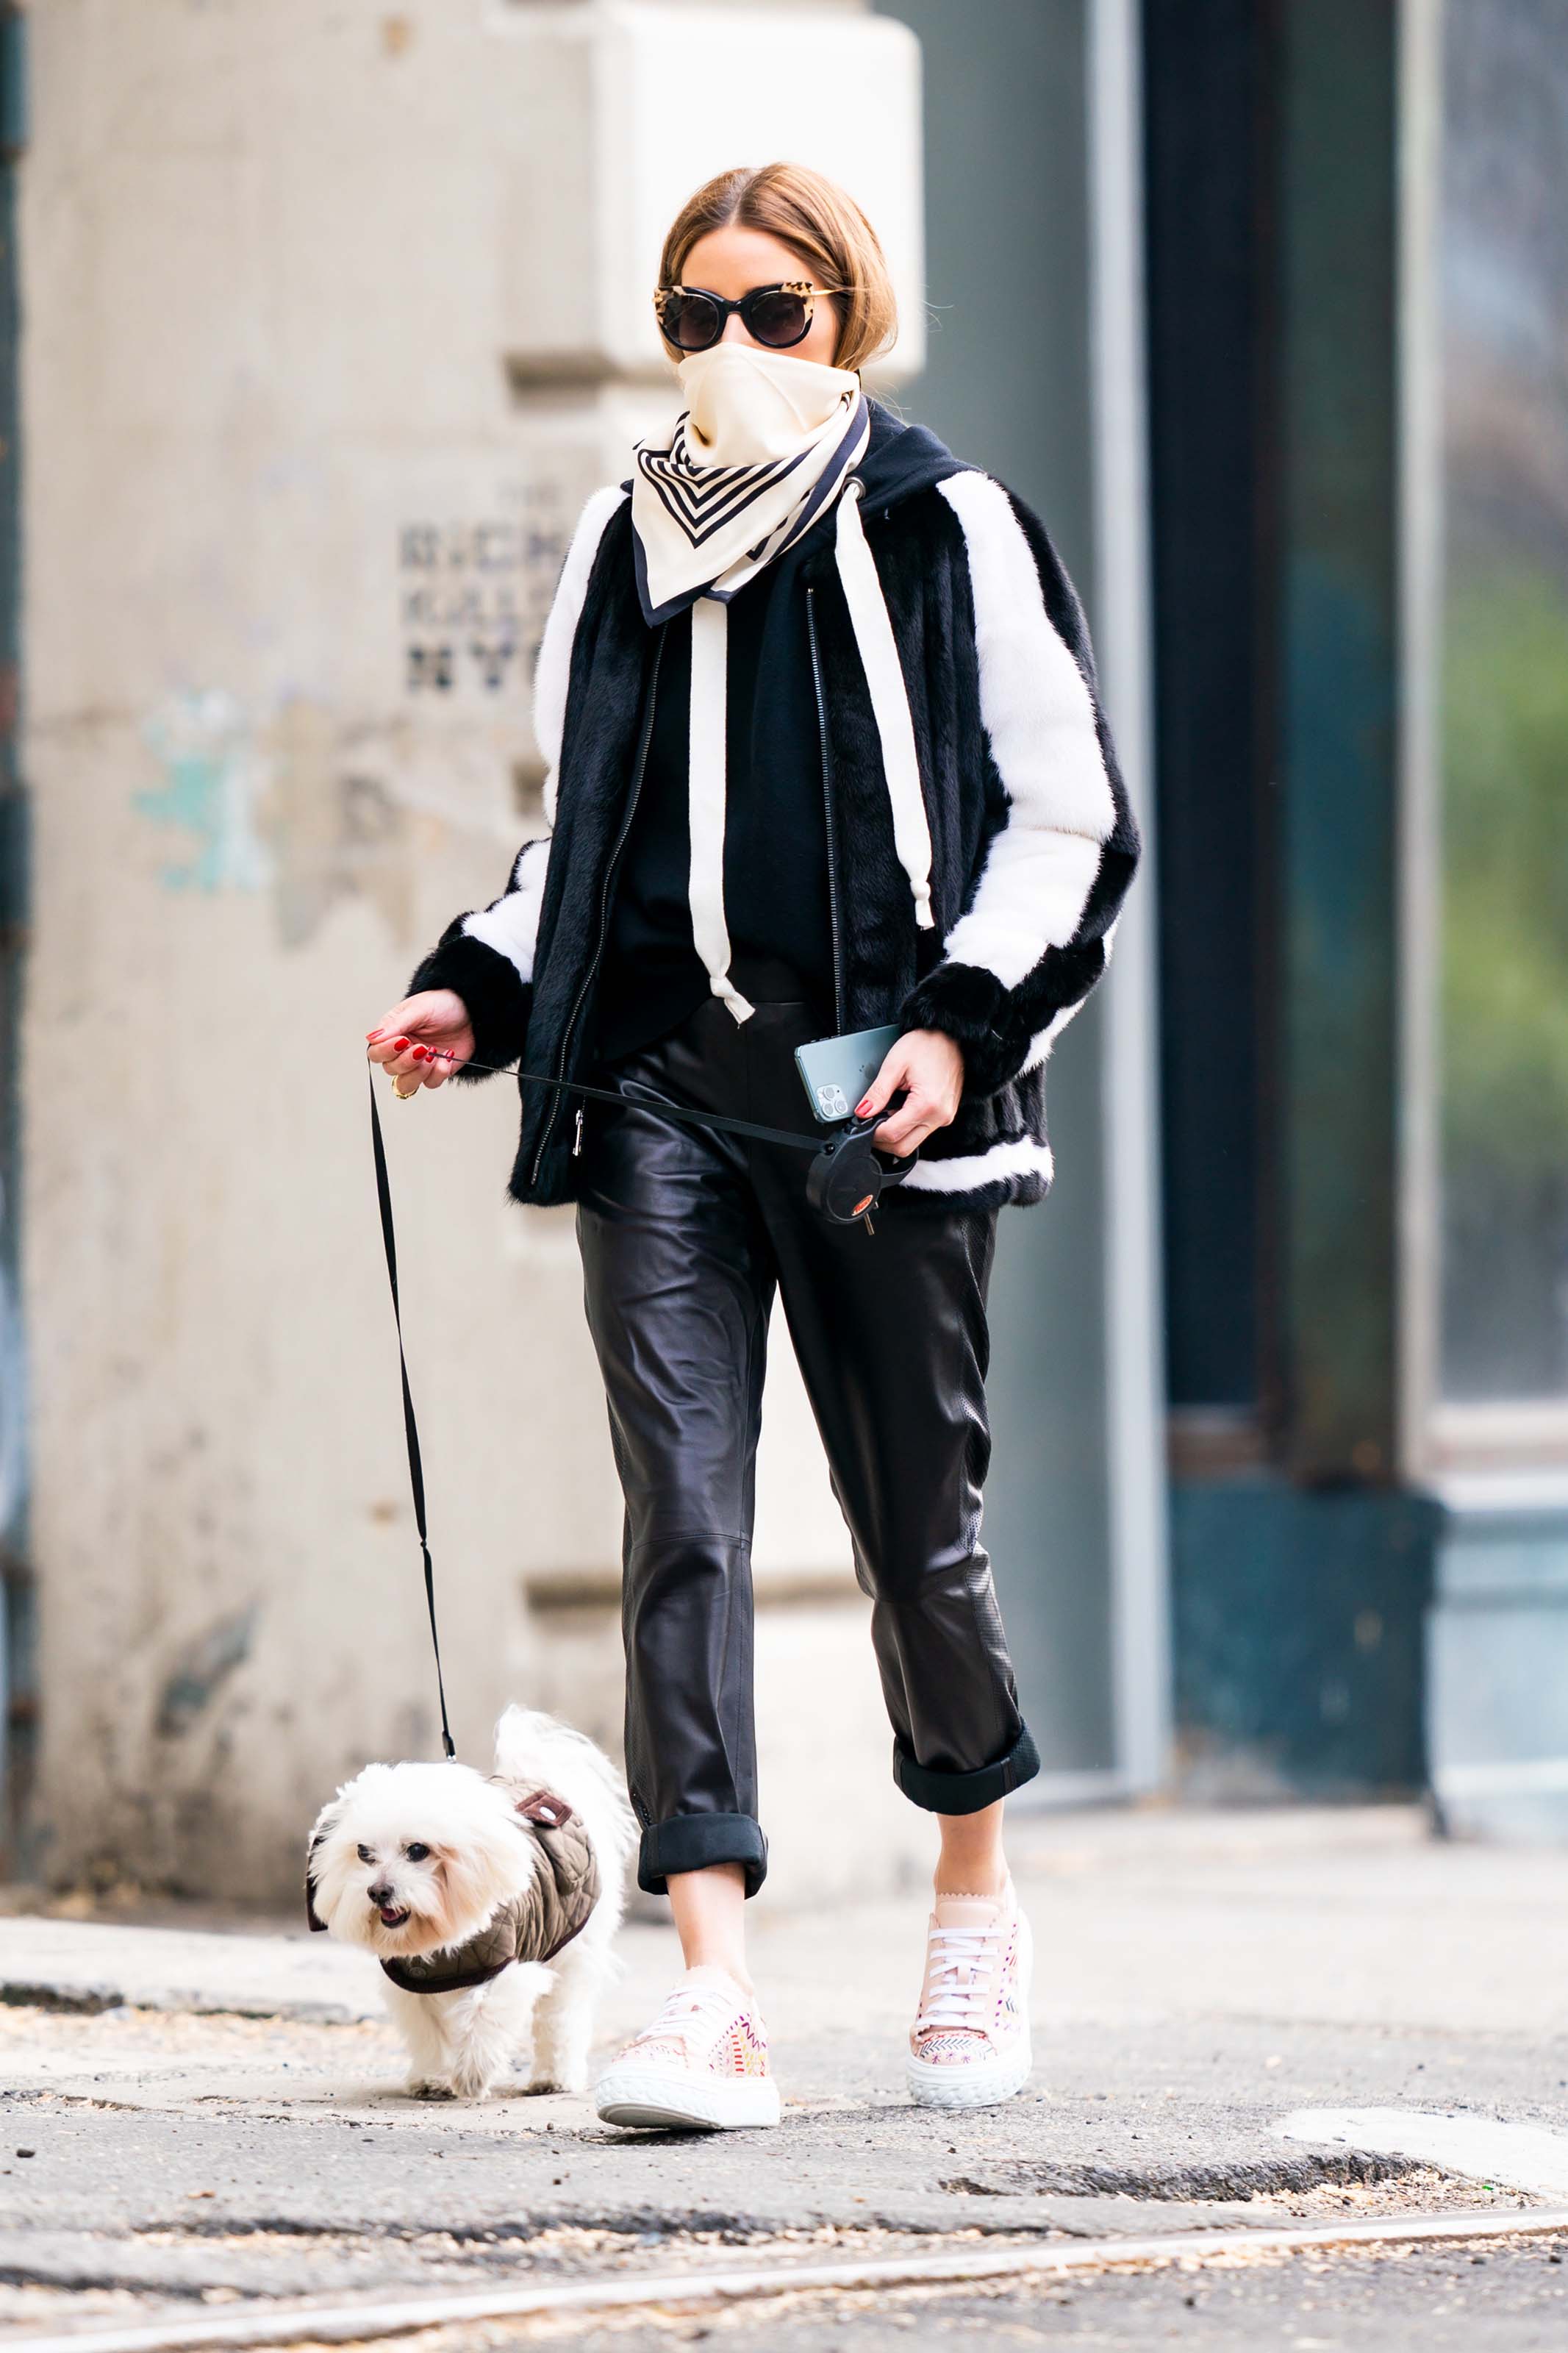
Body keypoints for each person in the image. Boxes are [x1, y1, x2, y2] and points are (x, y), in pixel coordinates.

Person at [367, 162, 1139, 2132]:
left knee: (917, 1541)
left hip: (876, 1094)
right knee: (682, 1519)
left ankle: (973, 1889)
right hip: (658, 1099)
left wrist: (969, 1032)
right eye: (693, 315)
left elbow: (1071, 825)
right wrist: (484, 982)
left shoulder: (946, 523)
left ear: (847, 323)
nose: (727, 352)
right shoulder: (619, 542)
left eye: (769, 312)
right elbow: (582, 841)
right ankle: (709, 1983)